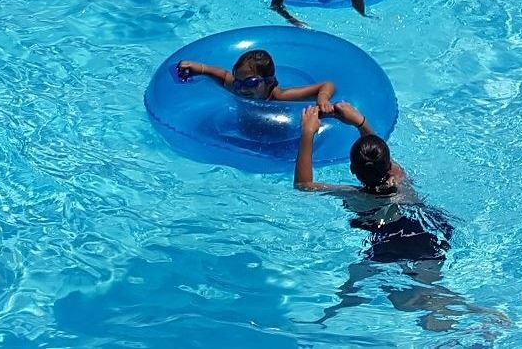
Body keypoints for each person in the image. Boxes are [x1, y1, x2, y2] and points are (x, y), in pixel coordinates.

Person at [294, 102, 459, 269]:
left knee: (358, 278)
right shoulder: (399, 178)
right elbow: (380, 154)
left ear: (352, 169)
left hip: (388, 243)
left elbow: (303, 184)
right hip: (428, 229)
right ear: (389, 165)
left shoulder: (351, 194)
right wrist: (360, 122)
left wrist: (307, 133)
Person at [176, 47, 336, 111]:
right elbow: (224, 75)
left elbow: (327, 85)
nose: (242, 88)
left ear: (269, 82)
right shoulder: (239, 87)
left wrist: (323, 98)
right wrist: (201, 69)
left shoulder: (279, 96)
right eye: (238, 82)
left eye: (251, 82)